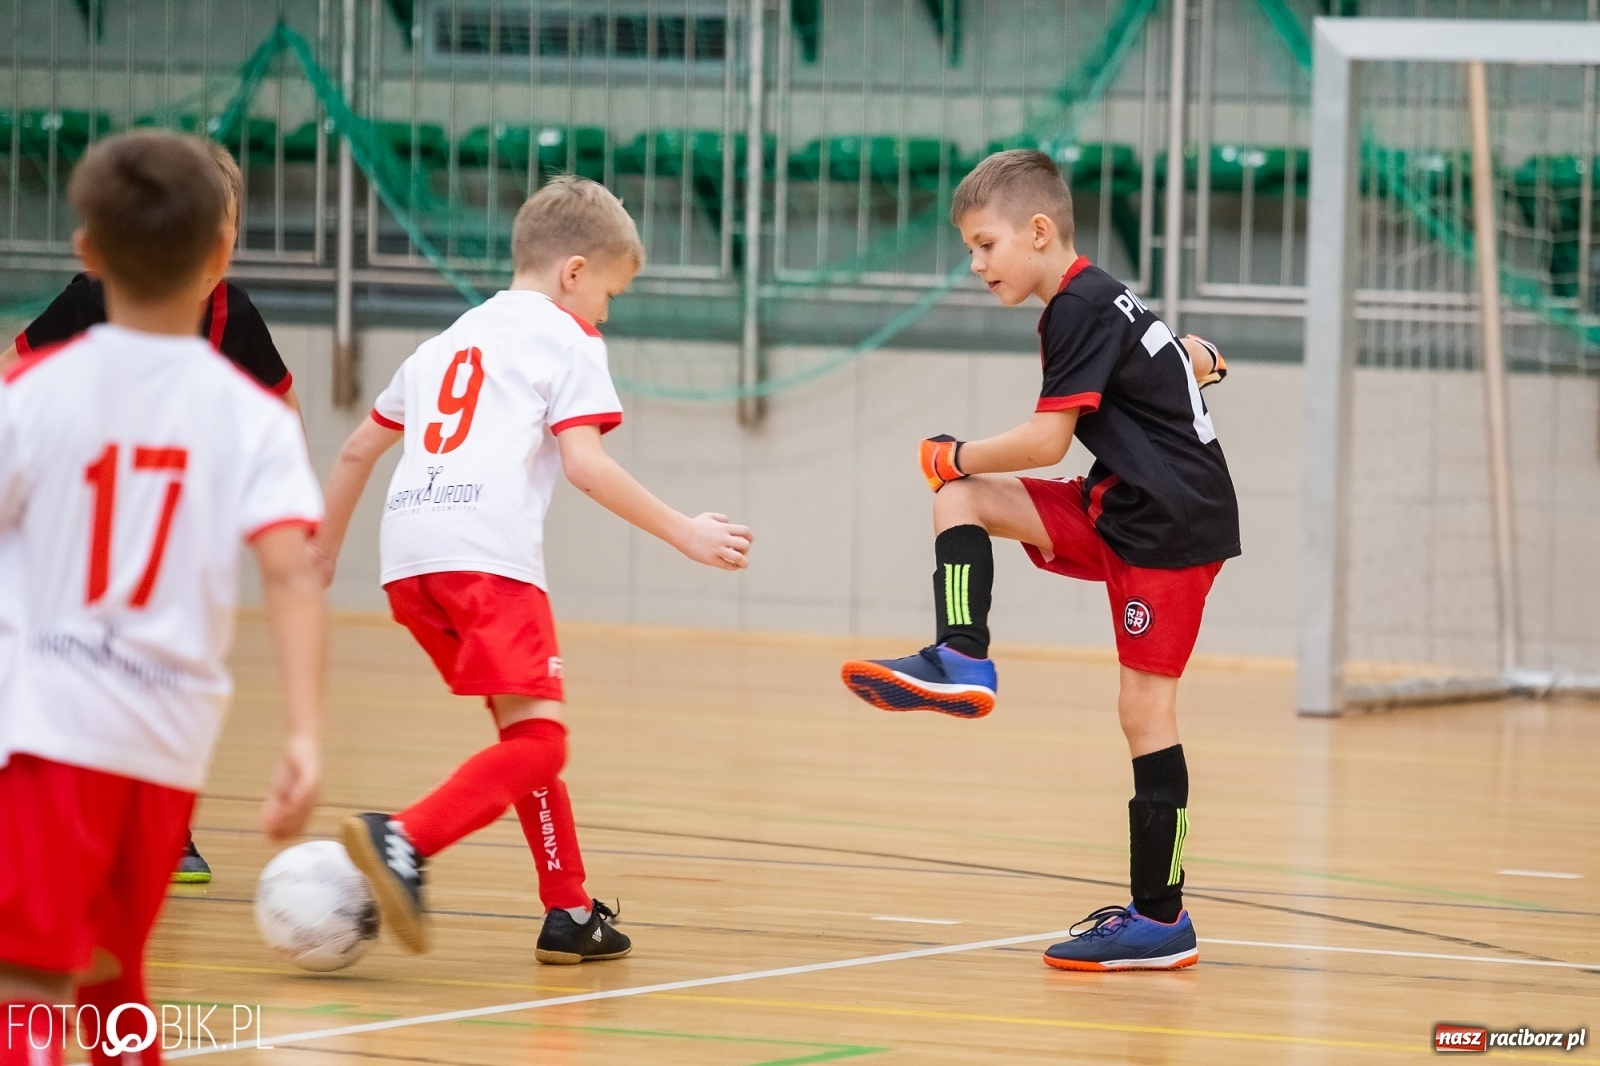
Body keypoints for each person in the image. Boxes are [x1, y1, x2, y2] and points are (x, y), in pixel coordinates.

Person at [310, 175, 752, 962]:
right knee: (544, 747)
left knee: (524, 735)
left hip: (407, 563)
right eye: (610, 293)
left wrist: (322, 552)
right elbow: (585, 465)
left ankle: (569, 912)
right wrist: (684, 530)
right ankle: (402, 837)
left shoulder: (443, 343)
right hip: (488, 560)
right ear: (574, 273)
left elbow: (356, 449)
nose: (606, 313)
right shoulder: (569, 337)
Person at [840, 149, 1240, 972]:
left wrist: (956, 449)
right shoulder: (1095, 297)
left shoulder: (1078, 306)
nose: (976, 264)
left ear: (1038, 230)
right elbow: (1173, 363)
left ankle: (1161, 921)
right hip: (1123, 504)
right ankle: (961, 657)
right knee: (964, 501)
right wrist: (1202, 362)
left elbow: (1048, 438)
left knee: (1143, 712)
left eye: (985, 246)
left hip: (1170, 529)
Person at [0, 130, 324, 1066]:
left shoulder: (35, 393)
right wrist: (304, 732)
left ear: (86, 253)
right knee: (112, 974)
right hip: (166, 744)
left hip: (51, 724)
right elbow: (291, 568)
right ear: (221, 254)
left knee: (26, 985)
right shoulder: (252, 418)